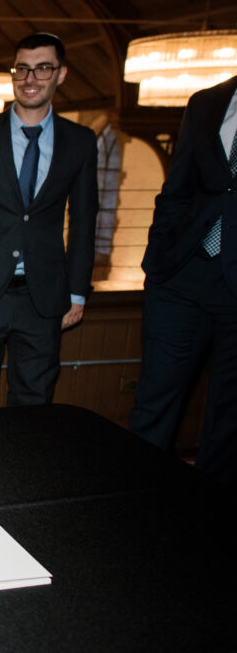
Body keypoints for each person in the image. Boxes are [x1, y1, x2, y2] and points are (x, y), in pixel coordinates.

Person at [0, 32, 98, 410]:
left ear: (60, 75)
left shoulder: (80, 141)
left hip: (43, 296)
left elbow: (84, 220)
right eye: (22, 69)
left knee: (35, 399)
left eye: (43, 68)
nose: (30, 78)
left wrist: (77, 291)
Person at [129, 75, 237, 485]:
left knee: (228, 419)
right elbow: (177, 187)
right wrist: (158, 261)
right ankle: (134, 505)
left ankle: (207, 527)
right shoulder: (207, 101)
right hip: (181, 273)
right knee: (154, 403)